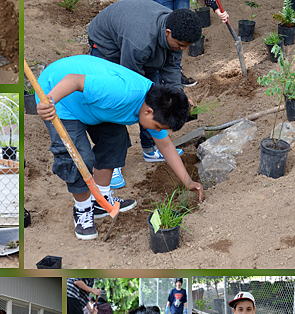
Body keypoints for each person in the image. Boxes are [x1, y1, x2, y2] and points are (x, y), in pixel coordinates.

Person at [37, 55, 204, 240]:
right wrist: (49, 101)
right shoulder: (121, 93)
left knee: (116, 140)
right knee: (78, 156)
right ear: (148, 112)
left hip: (94, 105)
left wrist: (188, 181)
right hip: (60, 97)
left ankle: (101, 199)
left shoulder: (157, 107)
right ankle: (83, 210)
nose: (156, 131)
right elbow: (73, 80)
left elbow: (165, 144)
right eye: (157, 127)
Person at [88, 2, 202, 179]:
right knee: (118, 102)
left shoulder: (178, 32)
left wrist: (178, 96)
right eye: (180, 45)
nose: (182, 49)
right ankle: (111, 162)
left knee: (157, 98)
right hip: (108, 46)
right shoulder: (140, 42)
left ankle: (150, 148)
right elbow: (131, 84)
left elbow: (171, 67)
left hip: (139, 44)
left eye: (186, 46)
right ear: (168, 33)